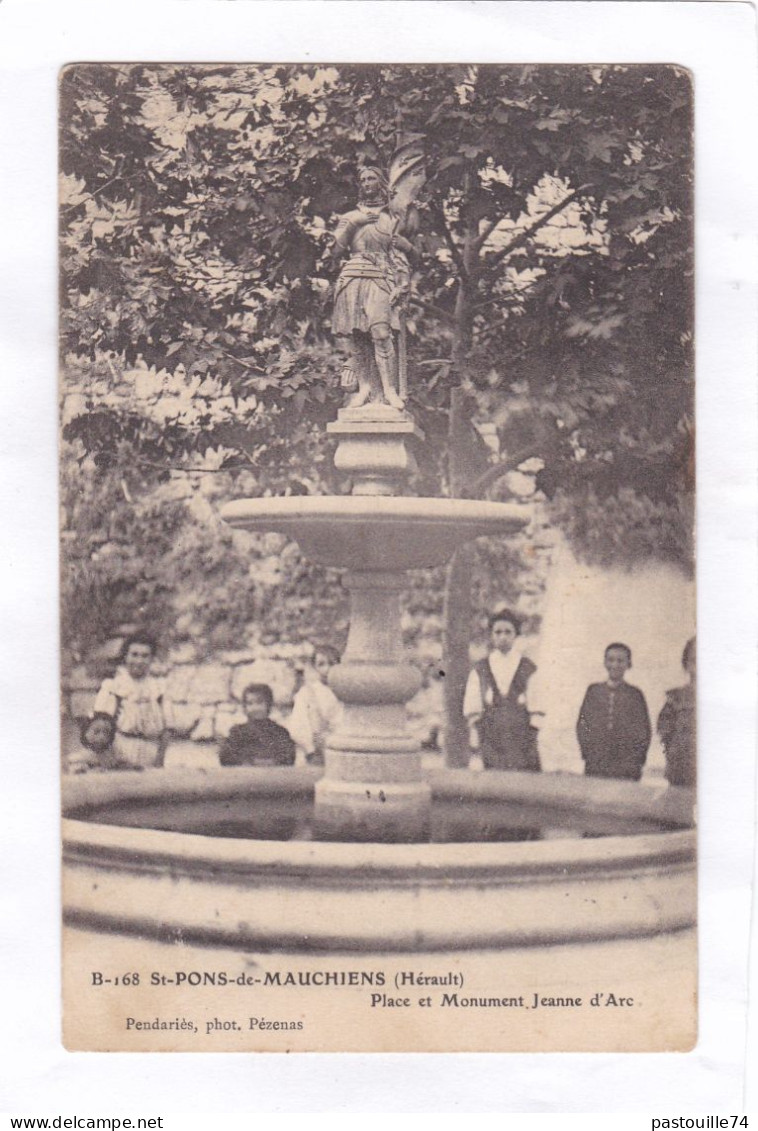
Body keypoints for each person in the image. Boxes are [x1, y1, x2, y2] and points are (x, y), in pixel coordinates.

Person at [332, 165, 417, 410]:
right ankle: (366, 388)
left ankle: (389, 390)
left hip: (380, 276)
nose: (367, 183)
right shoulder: (350, 216)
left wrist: (407, 249)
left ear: (381, 183)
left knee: (381, 333)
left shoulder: (393, 218)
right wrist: (353, 224)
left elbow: (407, 256)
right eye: (363, 179)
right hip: (352, 277)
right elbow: (335, 252)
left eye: (372, 178)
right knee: (358, 339)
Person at [463, 610, 541, 772]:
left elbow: (537, 707)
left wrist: (531, 739)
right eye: (498, 632)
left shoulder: (528, 668)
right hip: (491, 739)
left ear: (516, 635)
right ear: (491, 635)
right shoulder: (480, 669)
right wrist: (480, 737)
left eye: (508, 632)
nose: (503, 637)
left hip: (522, 739)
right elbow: (473, 710)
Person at [93, 633, 174, 768]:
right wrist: (111, 760)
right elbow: (100, 727)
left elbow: (167, 730)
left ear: (152, 659)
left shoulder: (159, 689)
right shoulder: (113, 687)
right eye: (134, 655)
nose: (139, 661)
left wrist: (160, 759)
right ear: (125, 656)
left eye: (145, 656)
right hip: (121, 749)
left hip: (151, 751)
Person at [576, 643, 651, 781]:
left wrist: (636, 761)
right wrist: (588, 753)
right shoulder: (594, 691)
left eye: (620, 660)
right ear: (604, 662)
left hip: (626, 767)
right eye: (610, 660)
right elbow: (582, 724)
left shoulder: (635, 694)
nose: (615, 665)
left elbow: (643, 731)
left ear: (628, 664)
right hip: (596, 763)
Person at [287, 645, 342, 766]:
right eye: (321, 664)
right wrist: (310, 749)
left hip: (338, 749)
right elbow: (298, 725)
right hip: (314, 753)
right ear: (315, 667)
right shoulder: (307, 692)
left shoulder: (343, 693)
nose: (327, 669)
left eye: (332, 664)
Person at [219, 683, 296, 767]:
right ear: (244, 707)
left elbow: (288, 757)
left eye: (259, 703)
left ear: (269, 705)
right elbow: (226, 758)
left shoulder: (280, 732)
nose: (255, 708)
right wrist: (248, 763)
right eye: (250, 703)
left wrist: (270, 763)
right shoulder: (237, 733)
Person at [657, 636, 696, 788]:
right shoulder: (675, 697)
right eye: (693, 659)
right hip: (680, 771)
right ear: (685, 663)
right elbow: (664, 731)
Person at [65, 713, 139, 774]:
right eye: (96, 732)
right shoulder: (82, 756)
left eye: (106, 733)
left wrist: (130, 767)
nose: (101, 737)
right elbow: (75, 771)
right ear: (85, 732)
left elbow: (120, 764)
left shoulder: (111, 754)